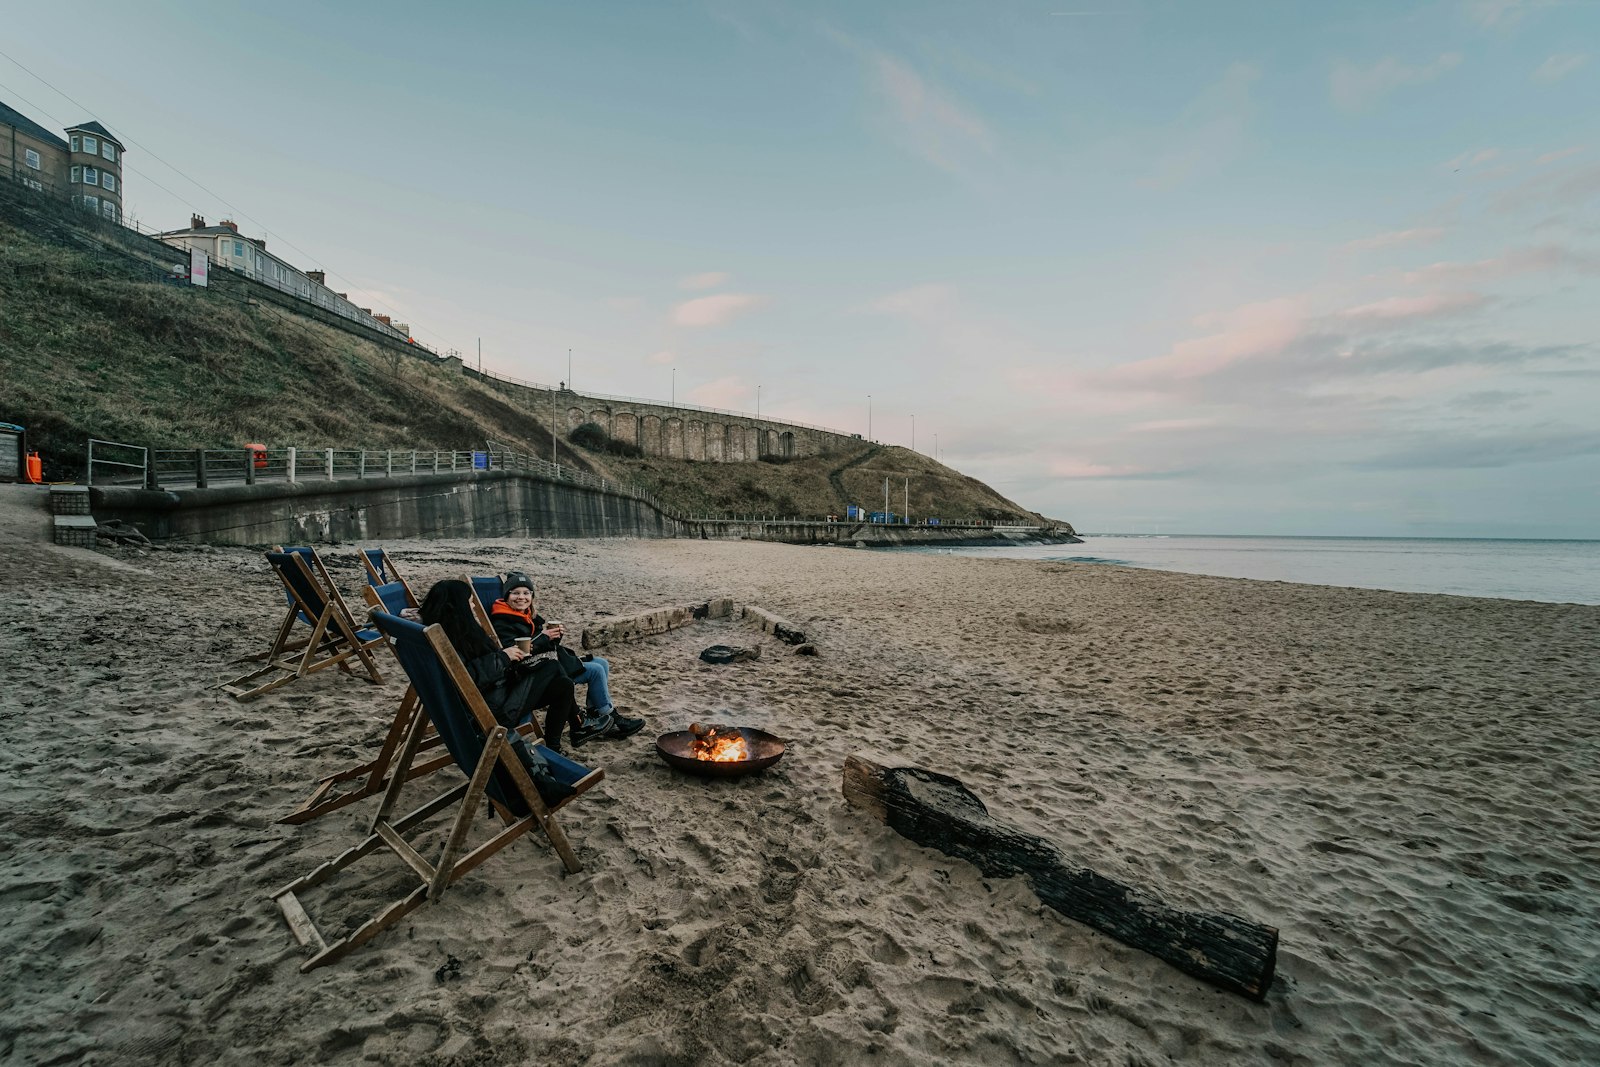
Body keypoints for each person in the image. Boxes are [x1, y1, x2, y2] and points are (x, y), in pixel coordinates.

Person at [418, 579, 590, 756]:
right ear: (458, 605)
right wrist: (504, 657)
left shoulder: (439, 630)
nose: (473, 606)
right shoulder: (450, 638)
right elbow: (467, 677)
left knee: (563, 684)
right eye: (469, 601)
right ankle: (577, 724)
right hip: (491, 709)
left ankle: (555, 746)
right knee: (552, 666)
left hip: (494, 692)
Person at [489, 572, 646, 741]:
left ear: (532, 596)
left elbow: (545, 646)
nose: (521, 597)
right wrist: (544, 638)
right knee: (596, 670)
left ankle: (597, 716)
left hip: (547, 662)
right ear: (506, 596)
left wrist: (555, 637)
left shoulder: (528, 616)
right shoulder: (502, 620)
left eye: (526, 593)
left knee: (602, 662)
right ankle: (611, 719)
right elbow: (518, 653)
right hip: (535, 673)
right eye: (516, 593)